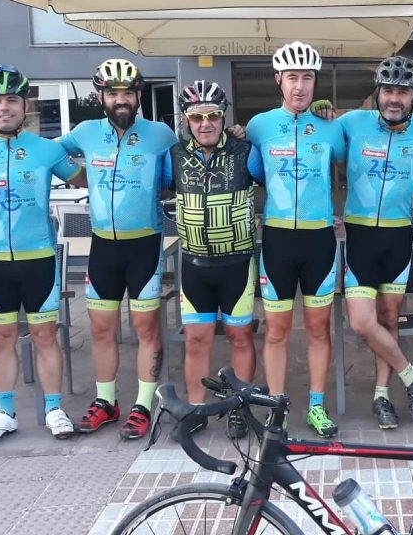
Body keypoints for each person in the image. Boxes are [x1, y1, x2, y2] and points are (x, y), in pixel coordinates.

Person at [0, 65, 83, 442]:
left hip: (39, 261)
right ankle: (4, 413)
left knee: (45, 336)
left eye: (12, 99)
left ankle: (54, 409)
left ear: (26, 105)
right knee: (2, 338)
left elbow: (87, 178)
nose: (4, 107)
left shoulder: (47, 150)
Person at [58, 59, 176, 440]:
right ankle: (106, 402)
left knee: (146, 328)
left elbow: (191, 161)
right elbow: (42, 153)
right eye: (113, 93)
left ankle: (143, 404)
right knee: (101, 328)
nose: (121, 99)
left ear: (139, 95)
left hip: (145, 244)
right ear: (100, 97)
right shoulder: (85, 132)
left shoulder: (161, 134)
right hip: (103, 247)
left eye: (128, 92)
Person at [326, 56, 413, 429]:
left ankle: (381, 395)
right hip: (360, 235)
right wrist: (319, 110)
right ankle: (412, 376)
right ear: (377, 93)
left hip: (398, 235)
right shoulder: (353, 122)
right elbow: (313, 134)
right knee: (362, 321)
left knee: (390, 318)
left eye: (403, 92)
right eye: (388, 90)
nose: (395, 99)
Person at [245, 41, 346, 438]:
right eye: (292, 77)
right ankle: (276, 406)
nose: (300, 86)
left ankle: (317, 406)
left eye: (307, 78)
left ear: (315, 82)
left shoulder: (330, 126)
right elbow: (252, 168)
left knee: (319, 329)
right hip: (278, 241)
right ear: (278, 80)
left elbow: (359, 145)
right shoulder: (260, 125)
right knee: (276, 330)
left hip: (319, 240)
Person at [163, 80, 264, 439]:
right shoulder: (173, 155)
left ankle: (240, 408)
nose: (205, 123)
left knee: (240, 337)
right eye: (197, 117)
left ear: (224, 117)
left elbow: (280, 178)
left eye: (213, 116)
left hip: (237, 263)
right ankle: (196, 410)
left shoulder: (245, 151)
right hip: (194, 265)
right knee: (196, 339)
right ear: (185, 120)